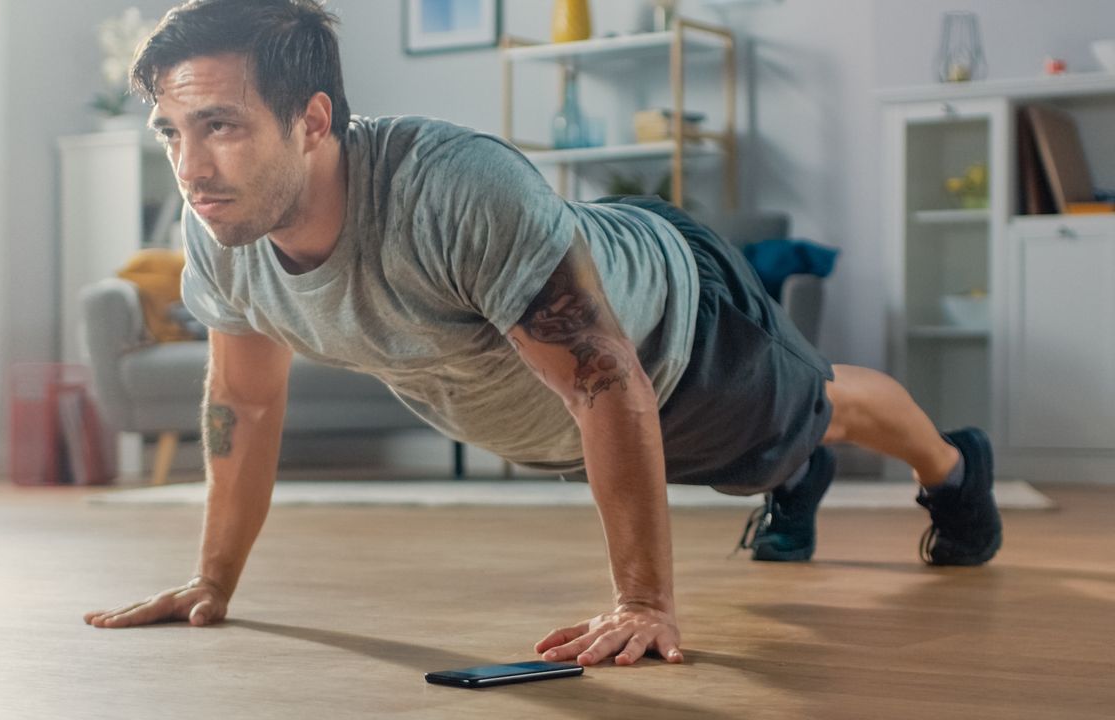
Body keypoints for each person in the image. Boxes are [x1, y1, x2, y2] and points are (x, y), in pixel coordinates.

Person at [83, 0, 1002, 668]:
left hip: (679, 335)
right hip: (576, 414)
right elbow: (243, 398)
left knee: (816, 410)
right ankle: (793, 475)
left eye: (221, 127)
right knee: (771, 458)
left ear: (313, 119)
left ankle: (956, 473)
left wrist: (644, 603)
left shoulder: (452, 189)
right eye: (171, 131)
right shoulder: (220, 230)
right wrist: (214, 582)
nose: (191, 168)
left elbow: (606, 380)